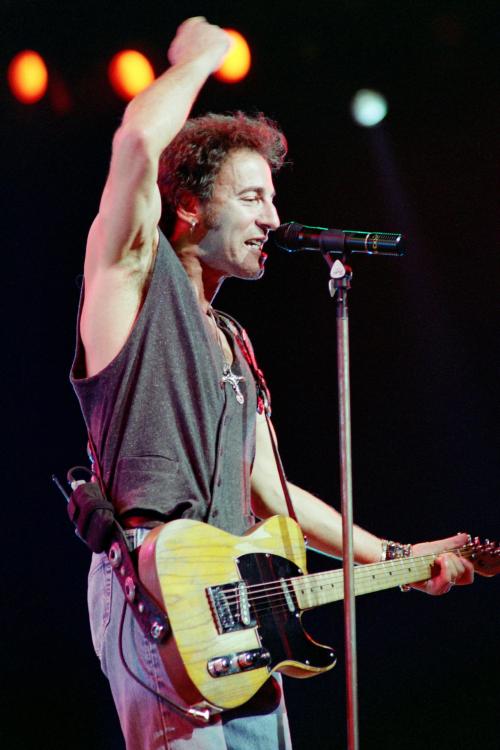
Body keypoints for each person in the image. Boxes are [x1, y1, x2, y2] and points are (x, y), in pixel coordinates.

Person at [70, 17, 476, 750]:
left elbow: (266, 486)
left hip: (243, 603)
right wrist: (199, 57)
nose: (274, 218)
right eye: (252, 198)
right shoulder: (132, 280)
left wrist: (398, 559)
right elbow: (135, 144)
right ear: (188, 207)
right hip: (160, 594)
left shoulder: (234, 342)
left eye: (273, 200)